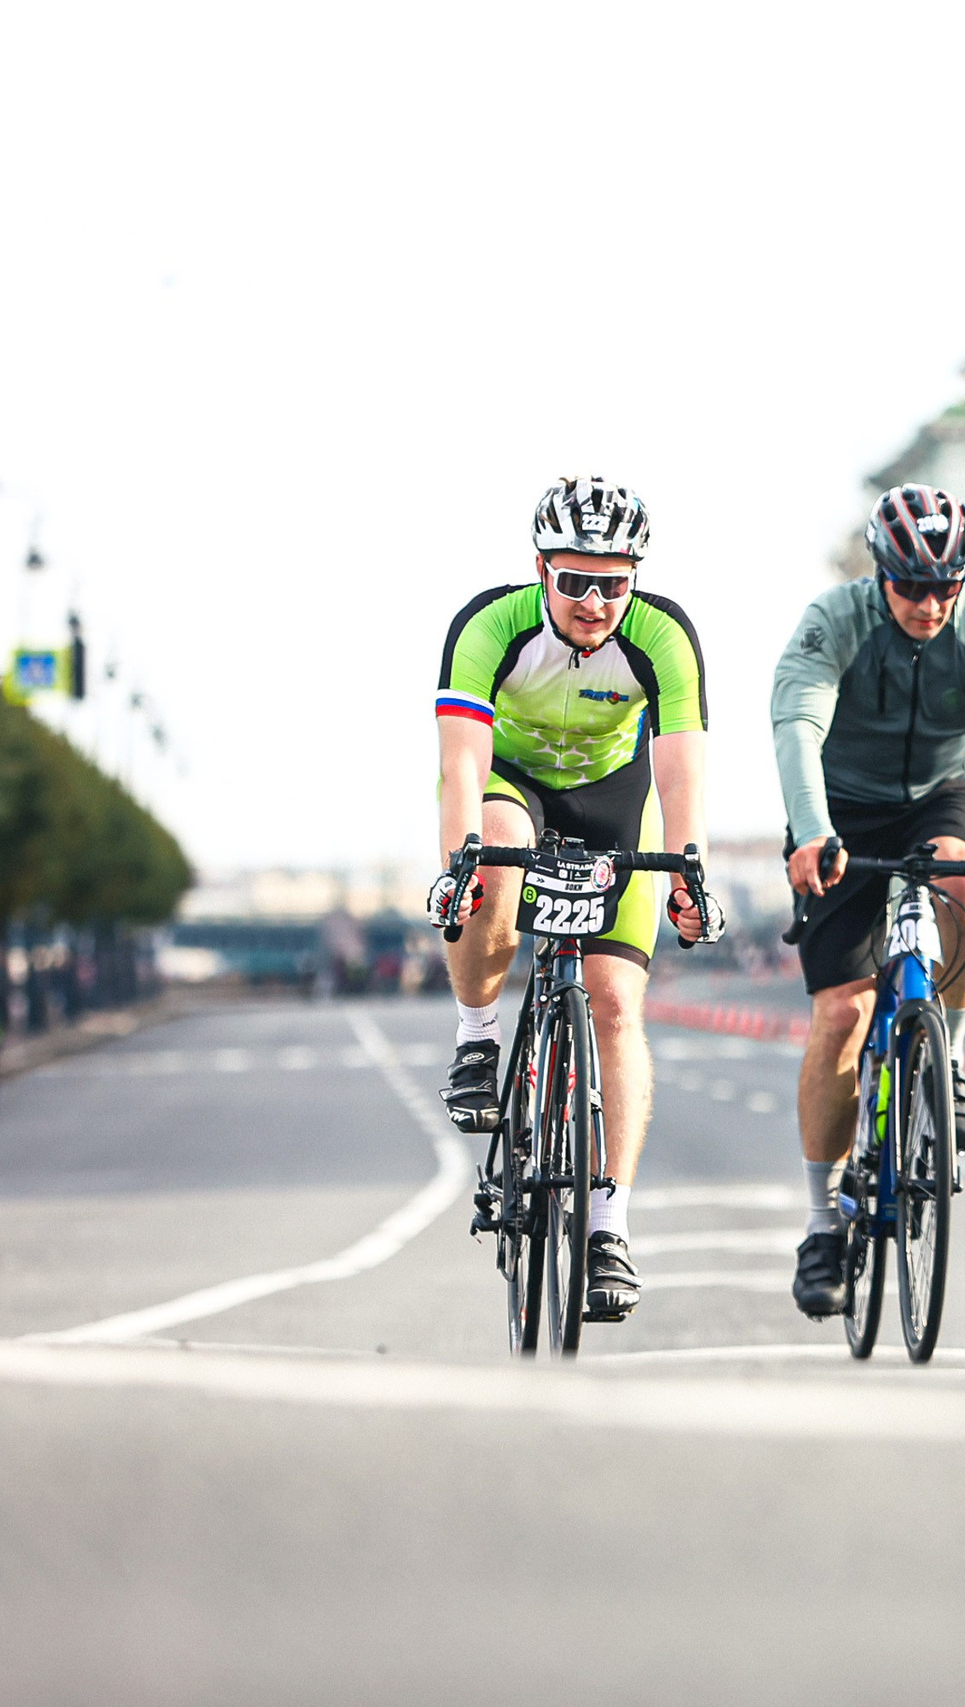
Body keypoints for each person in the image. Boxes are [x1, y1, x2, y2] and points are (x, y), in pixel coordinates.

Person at [426, 475, 725, 1326]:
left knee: (617, 1004)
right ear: (539, 570)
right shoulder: (491, 624)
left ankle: (606, 1227)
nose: (596, 601)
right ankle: (479, 1040)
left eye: (615, 582)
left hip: (608, 797)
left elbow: (679, 766)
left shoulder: (663, 635)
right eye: (575, 580)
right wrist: (458, 866)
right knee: (495, 852)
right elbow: (460, 763)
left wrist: (686, 871)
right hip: (510, 784)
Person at [771, 483, 965, 1319]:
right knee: (840, 1018)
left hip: (940, 792)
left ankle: (952, 1058)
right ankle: (823, 1224)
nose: (931, 605)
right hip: (841, 807)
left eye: (947, 587)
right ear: (880, 574)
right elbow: (796, 727)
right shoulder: (834, 623)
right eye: (912, 587)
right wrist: (812, 834)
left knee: (964, 873)